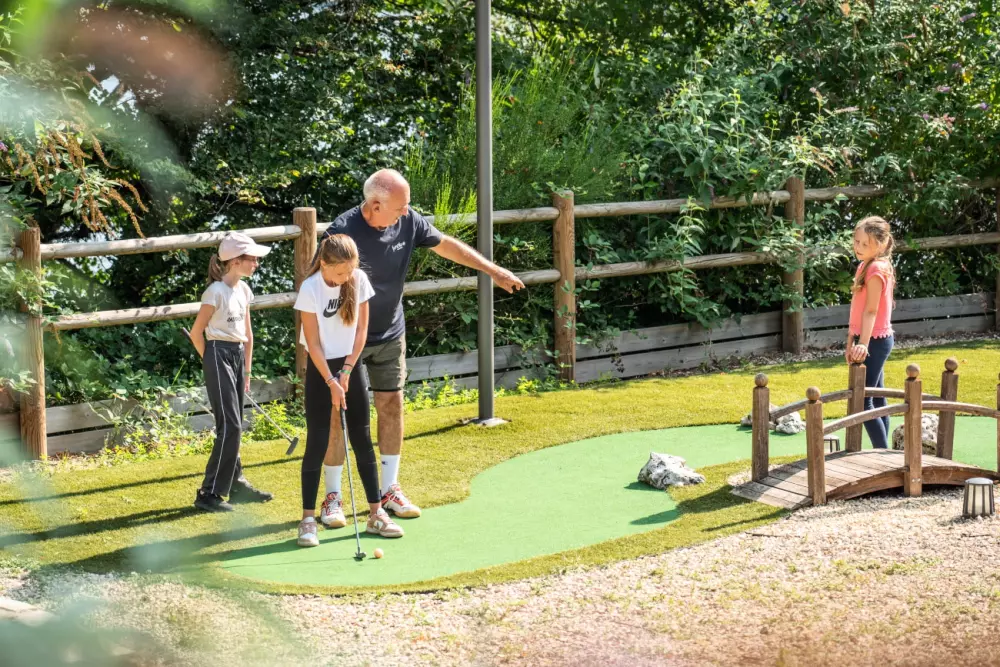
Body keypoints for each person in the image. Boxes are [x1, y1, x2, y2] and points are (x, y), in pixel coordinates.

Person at [318, 169, 525, 520]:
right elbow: (318, 287)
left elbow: (445, 245)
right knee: (338, 416)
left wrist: (493, 271)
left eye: (407, 206)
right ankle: (333, 497)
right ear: (375, 204)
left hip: (389, 334)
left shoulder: (408, 220)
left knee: (392, 405)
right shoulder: (341, 233)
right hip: (345, 339)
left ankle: (389, 489)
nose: (406, 212)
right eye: (400, 207)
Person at [294, 234, 404, 548]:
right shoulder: (310, 288)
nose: (346, 277)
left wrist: (346, 371)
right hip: (321, 368)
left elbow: (361, 331)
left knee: (362, 439)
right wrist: (331, 381)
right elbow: (312, 343)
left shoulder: (358, 279)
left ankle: (376, 514)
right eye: (340, 272)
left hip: (350, 365)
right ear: (324, 264)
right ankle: (307, 520)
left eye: (349, 271)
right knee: (317, 440)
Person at [189, 232, 274, 512]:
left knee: (234, 424)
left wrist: (246, 370)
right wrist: (211, 360)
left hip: (237, 356)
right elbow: (196, 333)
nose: (256, 264)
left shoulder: (244, 290)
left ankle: (236, 485)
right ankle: (209, 493)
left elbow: (247, 334)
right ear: (235, 261)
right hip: (217, 353)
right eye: (252, 259)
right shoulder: (215, 292)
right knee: (231, 426)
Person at [846, 216, 896, 449]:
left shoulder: (876, 269)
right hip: (869, 338)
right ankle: (885, 454)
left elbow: (871, 310)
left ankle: (882, 454)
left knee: (863, 401)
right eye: (857, 241)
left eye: (865, 244)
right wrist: (851, 340)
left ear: (881, 244)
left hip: (875, 341)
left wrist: (863, 344)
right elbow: (856, 310)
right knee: (877, 397)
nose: (858, 247)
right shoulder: (865, 264)